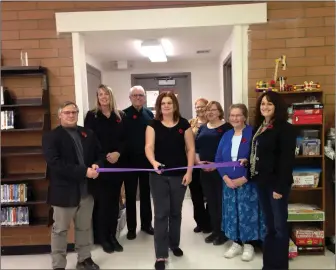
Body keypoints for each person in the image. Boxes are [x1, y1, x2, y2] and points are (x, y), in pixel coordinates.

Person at [42, 101, 103, 270]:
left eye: (74, 112)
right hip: (64, 192)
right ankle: (59, 265)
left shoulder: (88, 133)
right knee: (60, 230)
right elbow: (56, 164)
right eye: (67, 112)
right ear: (60, 115)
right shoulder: (51, 137)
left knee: (84, 227)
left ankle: (84, 259)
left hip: (86, 191)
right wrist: (84, 172)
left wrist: (98, 164)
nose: (71, 115)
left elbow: (99, 154)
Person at [145, 91, 195, 270]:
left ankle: (174, 244)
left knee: (176, 212)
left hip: (179, 175)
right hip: (158, 176)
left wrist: (189, 172)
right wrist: (153, 162)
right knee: (160, 214)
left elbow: (190, 149)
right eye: (163, 103)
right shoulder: (152, 125)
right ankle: (160, 255)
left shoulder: (184, 124)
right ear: (159, 106)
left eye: (169, 103)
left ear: (175, 105)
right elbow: (148, 146)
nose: (166, 106)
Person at [250, 91, 296, 270]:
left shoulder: (285, 128)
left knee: (279, 228)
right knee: (268, 227)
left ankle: (280, 266)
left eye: (269, 104)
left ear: (277, 106)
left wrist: (280, 187)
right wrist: (248, 162)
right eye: (262, 104)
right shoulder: (260, 127)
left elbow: (286, 161)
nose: (265, 107)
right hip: (262, 182)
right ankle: (269, 265)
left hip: (277, 185)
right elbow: (258, 153)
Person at [215, 104, 265, 261]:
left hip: (247, 183)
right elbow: (218, 159)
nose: (235, 118)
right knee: (232, 213)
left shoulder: (253, 133)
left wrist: (244, 178)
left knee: (247, 213)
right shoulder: (226, 135)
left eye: (238, 115)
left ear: (245, 117)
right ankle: (236, 242)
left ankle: (249, 244)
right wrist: (225, 178)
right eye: (232, 115)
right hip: (228, 183)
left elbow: (258, 159)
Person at [84, 84, 125, 254]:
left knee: (114, 203)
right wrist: (101, 159)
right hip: (99, 166)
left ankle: (112, 236)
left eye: (106, 94)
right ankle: (103, 238)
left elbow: (125, 139)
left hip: (117, 164)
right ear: (97, 97)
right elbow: (89, 140)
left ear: (111, 95)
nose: (103, 97)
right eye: (100, 94)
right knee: (102, 204)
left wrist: (118, 153)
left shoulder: (120, 116)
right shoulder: (92, 116)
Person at [195, 101, 232, 245]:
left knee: (220, 202)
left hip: (220, 171)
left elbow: (229, 150)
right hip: (204, 171)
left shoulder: (226, 127)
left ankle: (223, 233)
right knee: (211, 202)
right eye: (208, 110)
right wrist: (198, 163)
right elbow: (197, 148)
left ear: (220, 112)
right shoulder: (203, 127)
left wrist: (216, 165)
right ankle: (215, 231)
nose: (210, 112)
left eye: (213, 110)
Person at [123, 85, 154, 240]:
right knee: (130, 196)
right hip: (129, 163)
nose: (138, 98)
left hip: (146, 162)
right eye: (135, 95)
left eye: (141, 95)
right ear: (130, 98)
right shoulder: (123, 115)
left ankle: (147, 225)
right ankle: (131, 228)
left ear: (145, 97)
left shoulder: (149, 114)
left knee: (146, 195)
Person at [188, 98, 211, 234]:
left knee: (209, 195)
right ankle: (200, 222)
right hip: (194, 164)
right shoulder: (191, 123)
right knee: (196, 195)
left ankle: (209, 221)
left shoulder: (212, 123)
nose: (199, 109)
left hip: (209, 165)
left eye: (202, 107)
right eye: (197, 107)